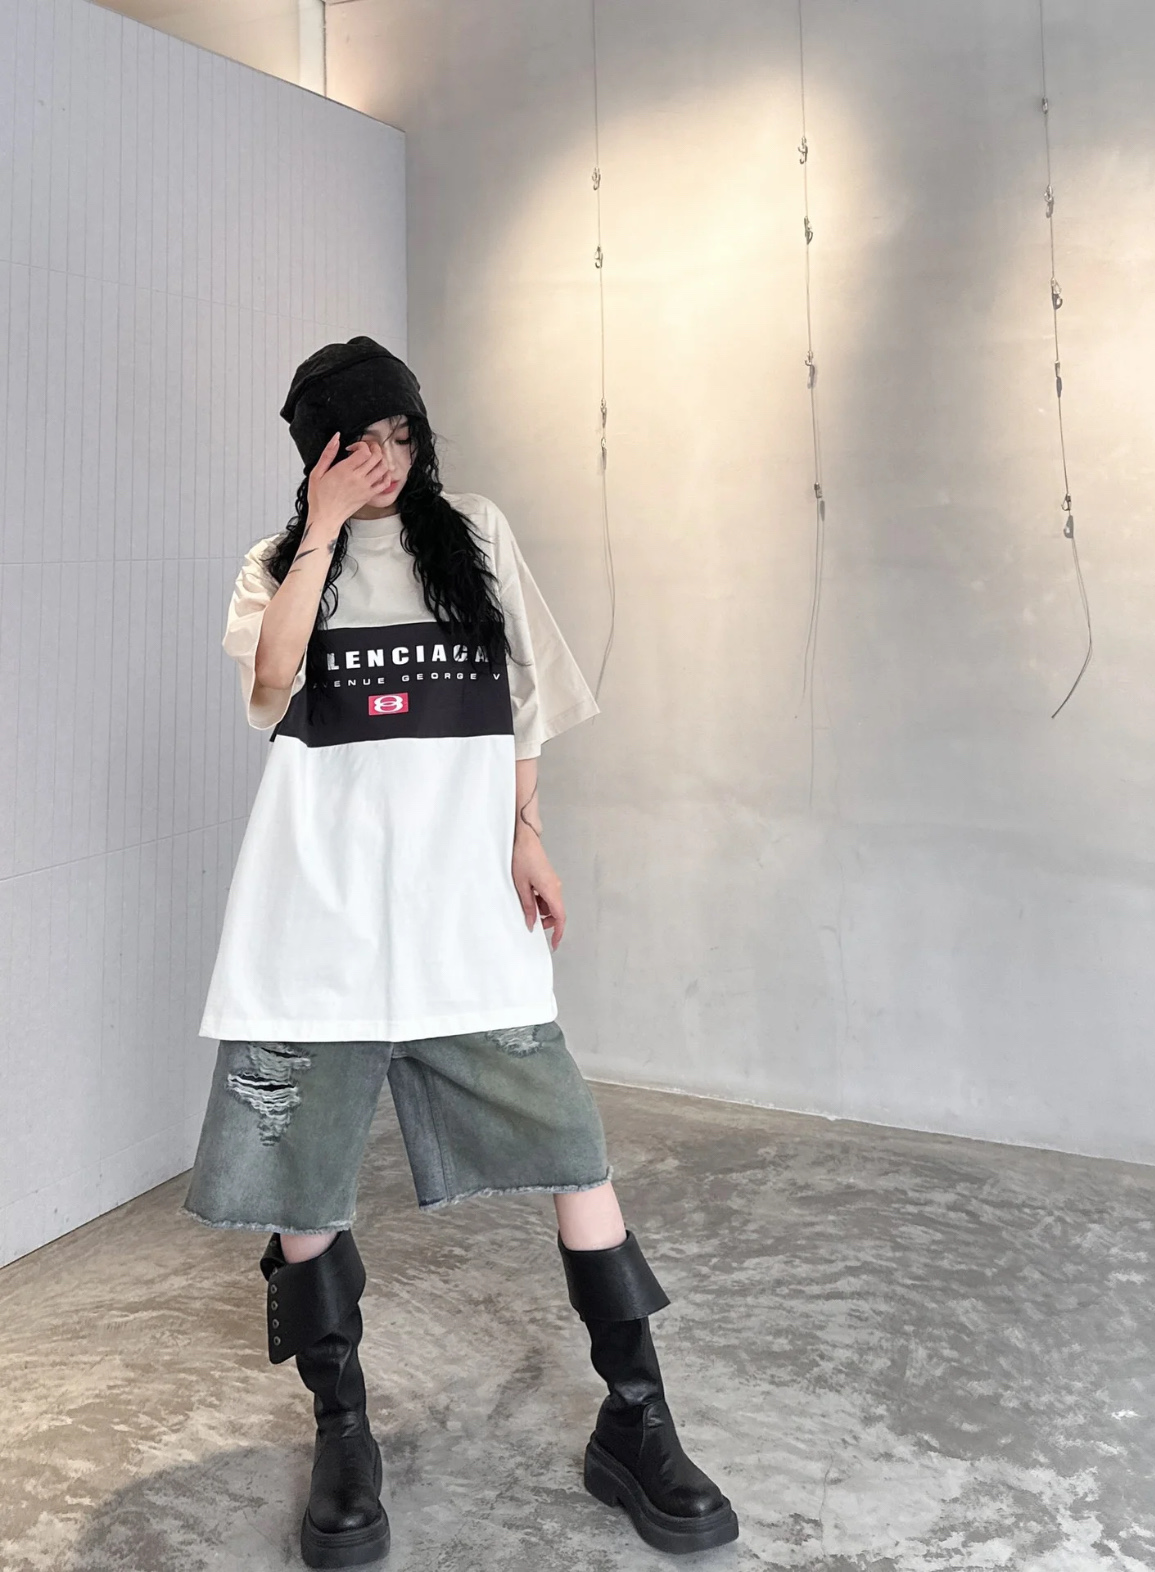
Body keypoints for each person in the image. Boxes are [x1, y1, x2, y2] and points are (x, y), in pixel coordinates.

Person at [182, 336, 738, 1568]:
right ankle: (342, 1435)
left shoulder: (475, 533)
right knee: (303, 1185)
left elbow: (524, 702)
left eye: (400, 436)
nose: (385, 462)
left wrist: (526, 832)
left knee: (575, 1152)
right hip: (314, 918)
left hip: (460, 912)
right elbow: (272, 685)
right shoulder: (279, 563)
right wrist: (322, 531)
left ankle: (636, 1421)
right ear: (317, 456)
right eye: (357, 445)